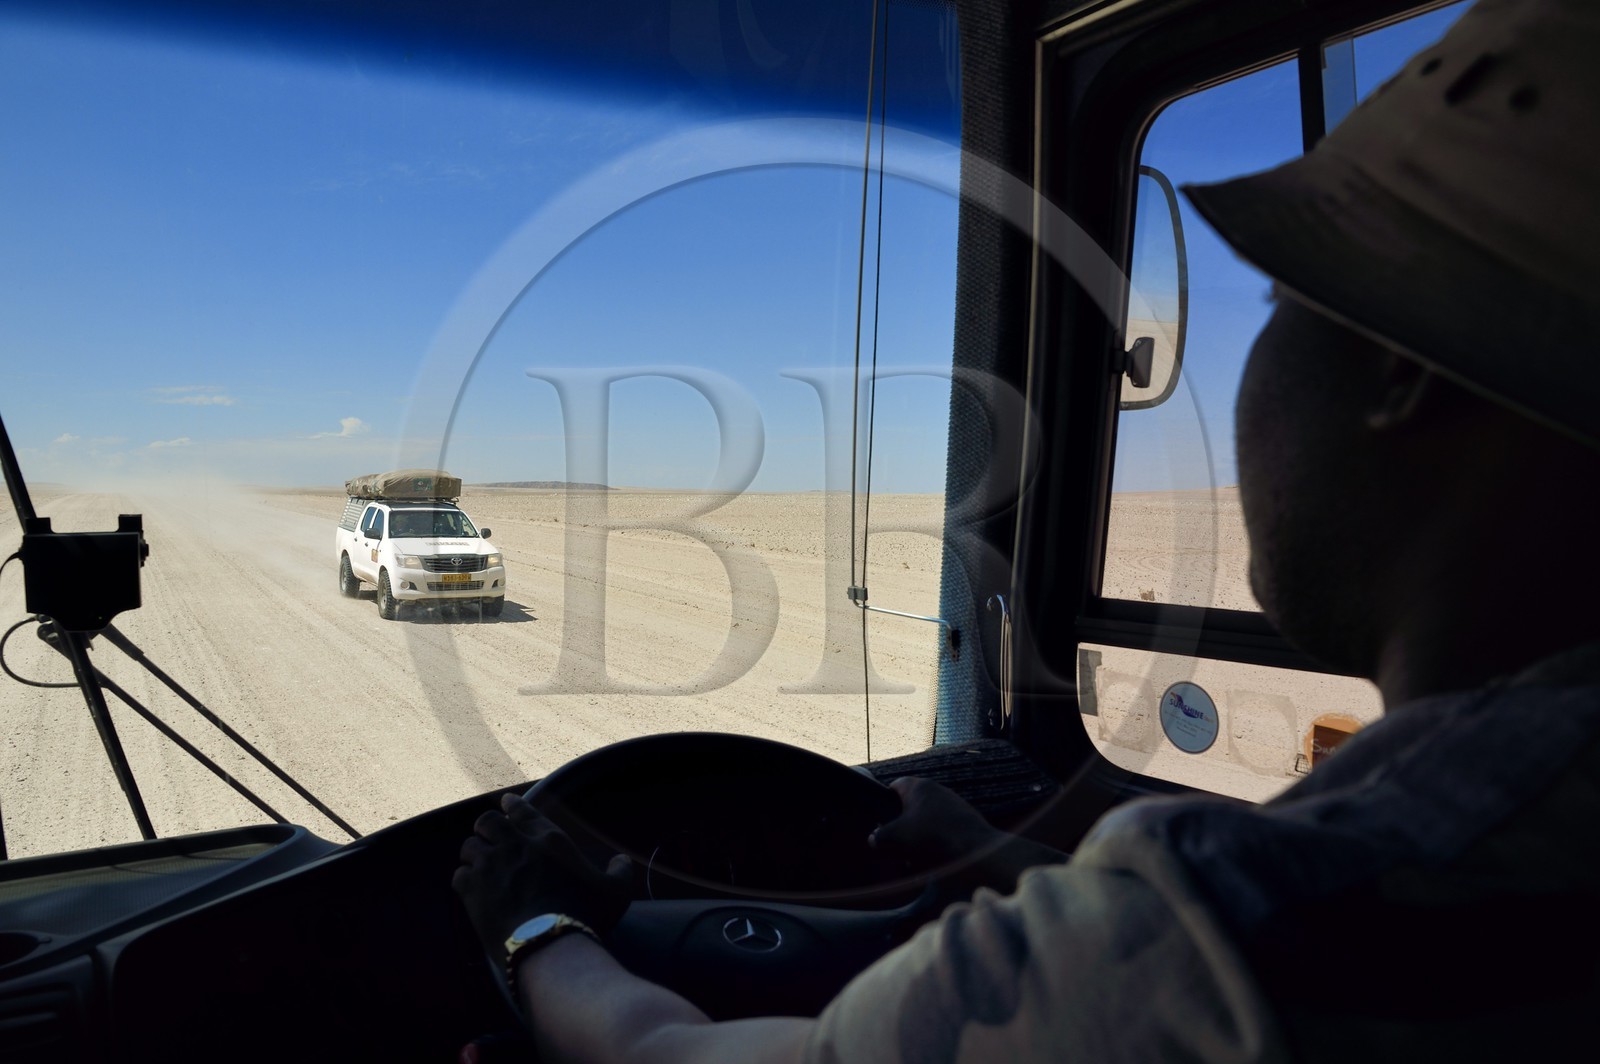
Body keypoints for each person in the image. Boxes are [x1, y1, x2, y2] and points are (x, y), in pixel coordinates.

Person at [453, 0, 1600, 1058]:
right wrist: (992, 853)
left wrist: (537, 922)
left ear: (1399, 374)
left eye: (1281, 303)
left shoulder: (1249, 922)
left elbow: (672, 1054)